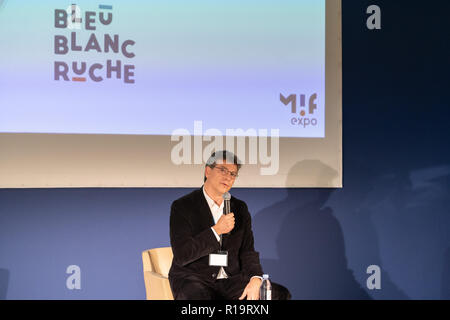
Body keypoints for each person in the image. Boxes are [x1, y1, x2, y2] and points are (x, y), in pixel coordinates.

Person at [168, 150, 291, 300]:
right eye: (223, 170)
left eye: (233, 174)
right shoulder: (183, 206)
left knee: (278, 294)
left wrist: (255, 278)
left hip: (231, 281)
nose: (228, 177)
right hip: (194, 278)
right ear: (208, 171)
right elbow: (182, 254)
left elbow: (247, 251)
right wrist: (216, 231)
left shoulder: (239, 208)